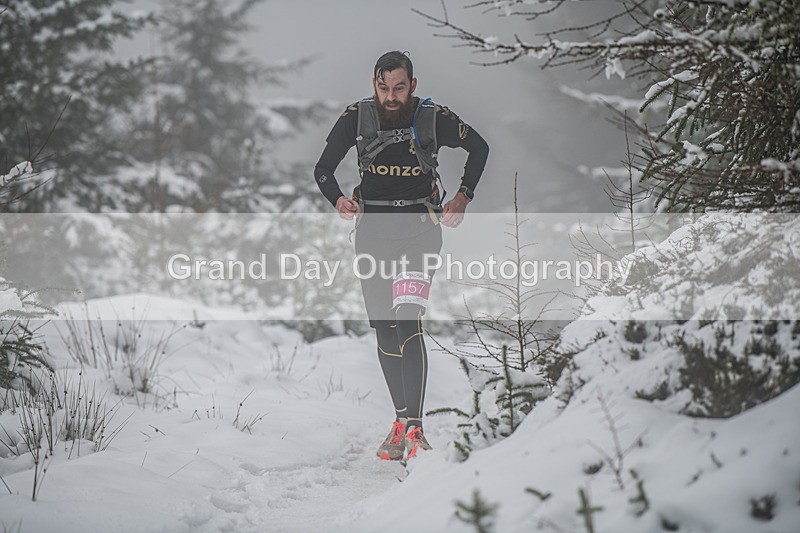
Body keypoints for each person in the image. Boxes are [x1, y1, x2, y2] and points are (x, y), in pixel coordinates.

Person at [314, 51, 489, 461]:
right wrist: (338, 199)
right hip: (373, 233)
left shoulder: (432, 117)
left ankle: (416, 429)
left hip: (419, 233)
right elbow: (323, 169)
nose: (390, 96)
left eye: (399, 87)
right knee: (384, 328)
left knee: (407, 318)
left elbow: (479, 148)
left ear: (413, 84)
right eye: (383, 87)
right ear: (373, 83)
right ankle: (398, 421)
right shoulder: (356, 118)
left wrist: (463, 197)